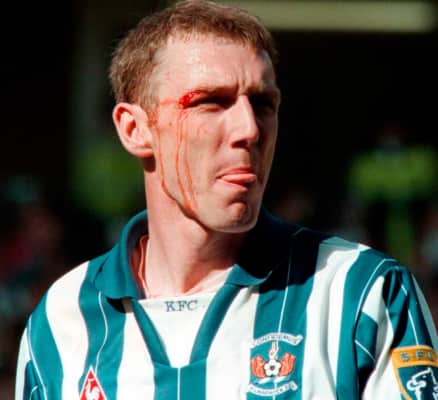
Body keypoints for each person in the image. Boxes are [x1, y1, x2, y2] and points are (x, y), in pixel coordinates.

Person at [15, 1, 437, 399]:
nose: (249, 129)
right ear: (134, 130)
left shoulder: (360, 292)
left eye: (263, 104)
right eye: (210, 102)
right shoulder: (60, 321)